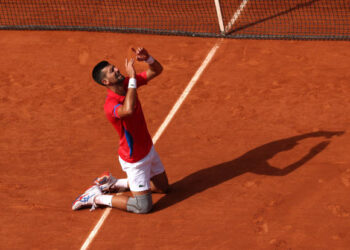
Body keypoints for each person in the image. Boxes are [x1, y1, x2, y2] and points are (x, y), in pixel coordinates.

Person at [72, 47, 170, 214]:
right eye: (112, 71)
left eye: (114, 67)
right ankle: (95, 197)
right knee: (143, 207)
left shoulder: (127, 84)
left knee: (163, 188)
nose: (117, 69)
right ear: (106, 82)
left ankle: (114, 183)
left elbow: (156, 70)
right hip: (134, 160)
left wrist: (148, 59)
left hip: (148, 149)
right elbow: (128, 109)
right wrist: (132, 78)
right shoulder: (110, 105)